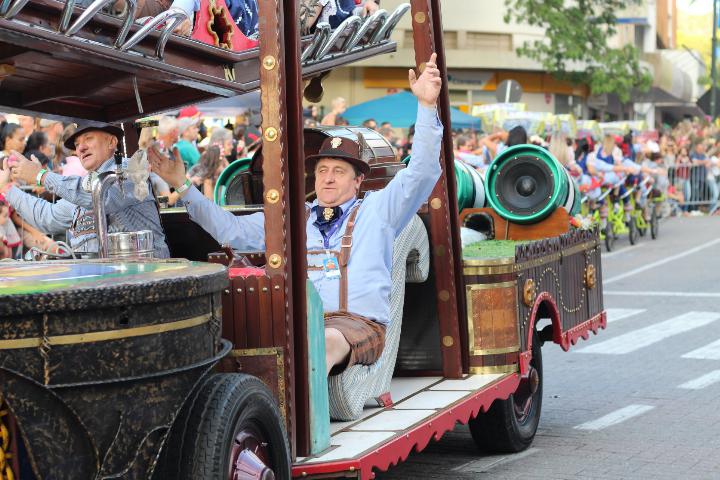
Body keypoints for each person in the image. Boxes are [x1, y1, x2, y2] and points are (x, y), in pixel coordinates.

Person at [151, 53, 443, 375]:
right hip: (303, 322)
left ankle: (300, 408)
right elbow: (229, 230)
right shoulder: (294, 218)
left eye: (339, 172)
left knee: (321, 342)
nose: (328, 178)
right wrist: (183, 185)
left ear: (358, 181)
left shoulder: (378, 209)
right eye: (322, 171)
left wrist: (426, 106)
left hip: (357, 325)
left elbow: (423, 171)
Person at [0, 123, 170, 258]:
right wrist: (7, 189)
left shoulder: (129, 170)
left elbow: (101, 198)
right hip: (105, 280)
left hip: (147, 276)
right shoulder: (85, 184)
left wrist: (41, 176)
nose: (80, 148)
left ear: (112, 142)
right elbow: (48, 217)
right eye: (77, 144)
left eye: (88, 139)